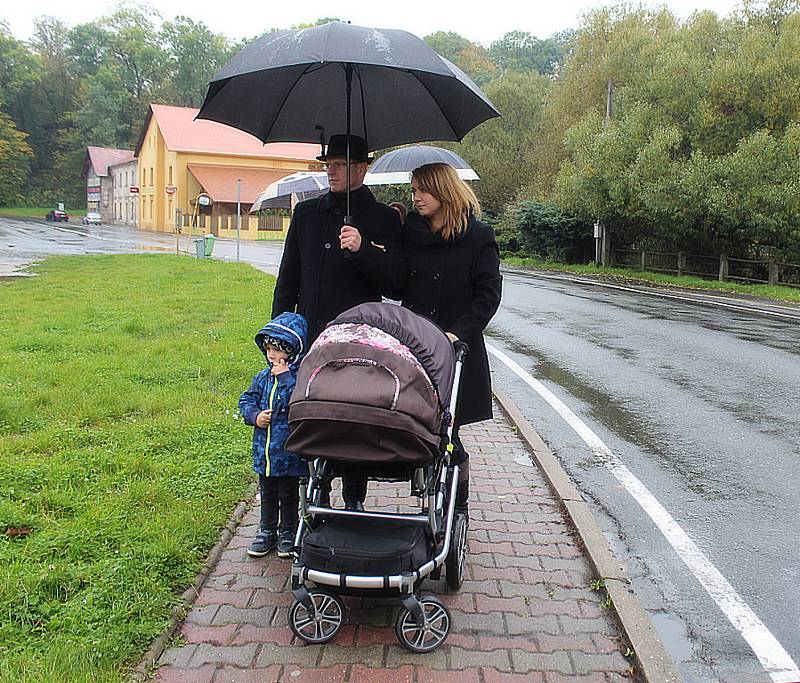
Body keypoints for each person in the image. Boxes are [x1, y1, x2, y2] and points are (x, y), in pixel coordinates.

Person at [347, 162, 503, 518]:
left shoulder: (479, 236)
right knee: (414, 425)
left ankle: (457, 502)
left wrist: (458, 332)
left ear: (443, 191)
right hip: (415, 347)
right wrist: (364, 252)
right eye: (413, 190)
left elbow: (488, 295)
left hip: (456, 349)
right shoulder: (411, 232)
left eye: (422, 190)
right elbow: (396, 281)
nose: (415, 198)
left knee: (449, 435)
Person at [271, 134, 402, 510]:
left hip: (360, 341)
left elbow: (395, 280)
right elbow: (288, 280)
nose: (332, 171)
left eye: (341, 165)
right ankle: (316, 497)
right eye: (329, 164)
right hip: (313, 337)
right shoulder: (307, 215)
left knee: (354, 417)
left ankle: (354, 500)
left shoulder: (382, 220)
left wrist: (362, 251)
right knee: (314, 416)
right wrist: (279, 335)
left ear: (362, 168)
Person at [239, 312, 308, 557]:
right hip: (265, 454)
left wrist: (286, 378)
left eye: (278, 351)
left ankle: (288, 531)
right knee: (267, 493)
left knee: (288, 495)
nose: (272, 356)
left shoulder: (297, 379)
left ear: (292, 352)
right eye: (268, 349)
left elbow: (298, 402)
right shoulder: (262, 378)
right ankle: (266, 530)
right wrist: (254, 416)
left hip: (289, 455)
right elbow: (246, 400)